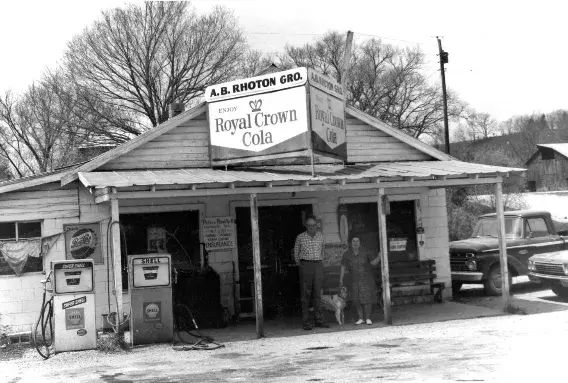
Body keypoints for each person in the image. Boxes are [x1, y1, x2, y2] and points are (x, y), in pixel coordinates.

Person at [294, 216, 329, 330]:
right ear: (306, 226)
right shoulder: (300, 237)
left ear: (316, 225)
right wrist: (302, 265)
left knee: (317, 294)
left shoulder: (320, 236)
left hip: (318, 265)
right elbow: (296, 253)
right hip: (306, 265)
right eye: (309, 225)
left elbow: (323, 250)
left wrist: (320, 261)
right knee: (305, 295)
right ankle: (306, 322)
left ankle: (319, 320)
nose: (312, 227)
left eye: (314, 225)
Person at [339, 234, 381, 325]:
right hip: (354, 279)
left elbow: (373, 263)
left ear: (360, 243)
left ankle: (368, 318)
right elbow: (343, 266)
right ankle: (361, 318)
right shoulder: (347, 254)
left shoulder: (365, 251)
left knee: (367, 299)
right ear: (350, 243)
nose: (355, 243)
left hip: (366, 279)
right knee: (356, 299)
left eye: (357, 241)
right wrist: (341, 279)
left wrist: (379, 256)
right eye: (353, 241)